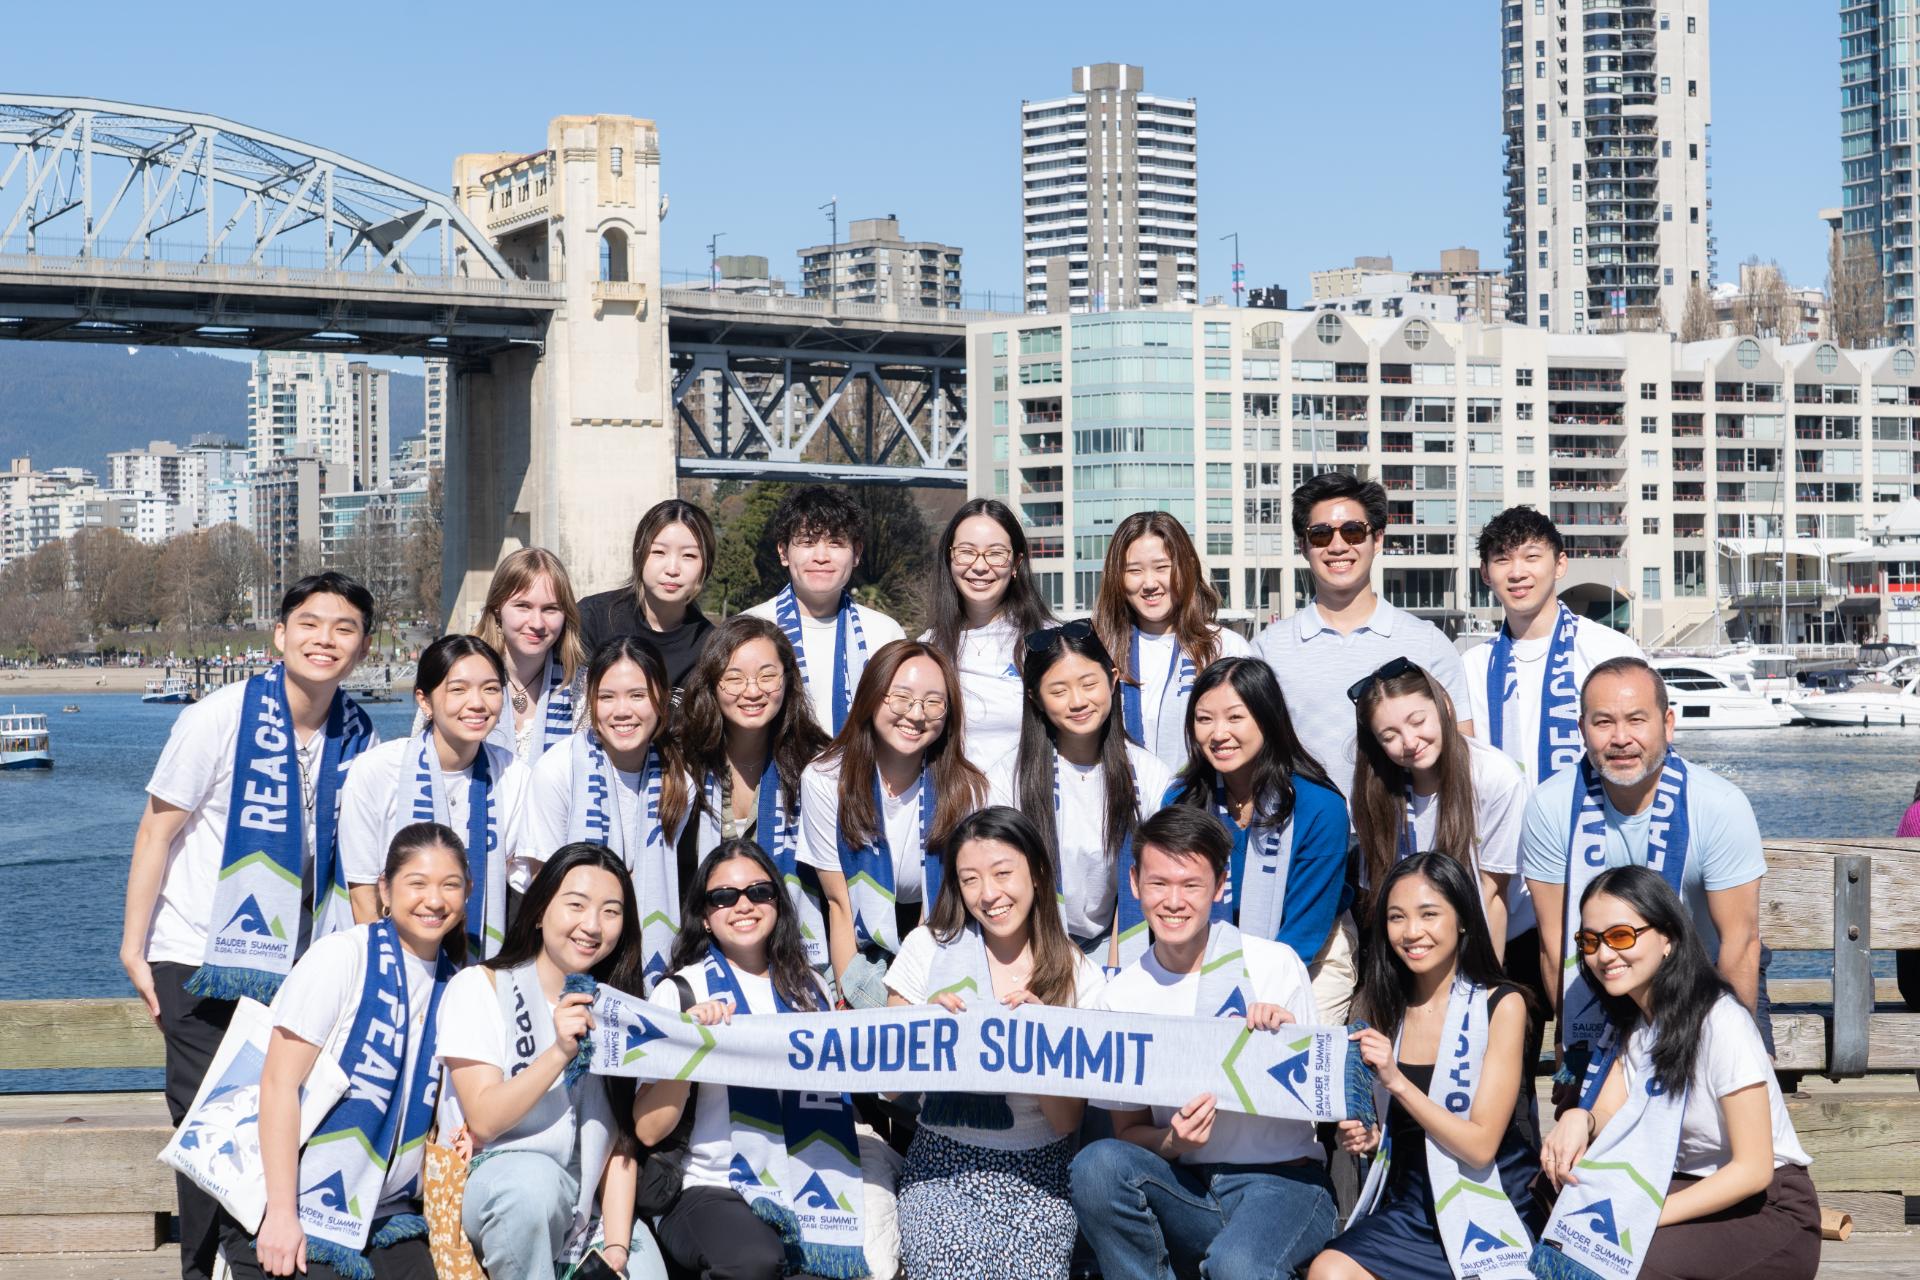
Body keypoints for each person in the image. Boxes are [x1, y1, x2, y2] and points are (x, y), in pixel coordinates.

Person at [123, 571, 378, 1280]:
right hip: (199, 956)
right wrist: (133, 945)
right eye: (310, 623)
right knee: (215, 1131)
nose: (325, 639)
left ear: (360, 648)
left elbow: (360, 860)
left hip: (304, 965)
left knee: (290, 1121)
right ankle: (205, 1271)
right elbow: (157, 831)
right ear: (280, 634)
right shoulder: (219, 716)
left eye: (345, 628)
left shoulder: (358, 731)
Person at [1071, 807, 1337, 1280]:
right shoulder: (1120, 997)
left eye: (1191, 885)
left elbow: (1319, 1106)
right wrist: (1172, 1140)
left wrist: (1287, 1039)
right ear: (1134, 884)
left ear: (1219, 887)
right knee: (1097, 1165)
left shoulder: (1274, 964)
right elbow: (1128, 1134)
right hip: (1188, 1186)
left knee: (1239, 1265)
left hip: (1283, 1183)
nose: (1174, 901)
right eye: (1159, 884)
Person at [1535, 867, 1819, 1280]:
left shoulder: (1720, 1021)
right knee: (1556, 1205)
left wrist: (1643, 1215)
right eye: (1591, 941)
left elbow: (1754, 1169)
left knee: (1619, 1261)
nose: (1604, 954)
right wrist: (1579, 1118)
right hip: (1679, 1185)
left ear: (1668, 936)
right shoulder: (1633, 1022)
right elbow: (1605, 1119)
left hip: (1768, 1207)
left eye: (1621, 936)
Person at [223, 823, 465, 1280]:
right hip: (295, 1200)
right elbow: (277, 1083)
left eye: (449, 885)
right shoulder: (341, 956)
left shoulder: (456, 983)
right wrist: (280, 1214)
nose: (434, 900)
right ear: (385, 890)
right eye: (417, 883)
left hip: (388, 1213)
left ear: (467, 892)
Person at [634, 839, 874, 1280]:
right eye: (723, 897)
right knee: (755, 1261)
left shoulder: (812, 991)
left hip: (807, 1182)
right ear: (704, 917)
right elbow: (649, 1128)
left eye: (758, 892)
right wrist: (689, 1046)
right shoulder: (679, 992)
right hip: (709, 1187)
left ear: (777, 903)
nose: (743, 905)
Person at [1522, 657, 1772, 1078]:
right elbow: (1555, 947)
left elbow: (1740, 945)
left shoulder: (1719, 804)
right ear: (1582, 730)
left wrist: (1728, 1053)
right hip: (1599, 985)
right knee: (1584, 1119)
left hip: (1705, 982)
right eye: (1603, 723)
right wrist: (1573, 1044)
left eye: (1637, 720)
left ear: (1667, 724)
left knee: (1742, 1094)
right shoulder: (1550, 806)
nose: (1621, 739)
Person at [886, 807, 1107, 1280]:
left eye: (1003, 873)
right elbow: (887, 1087)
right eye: (970, 880)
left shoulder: (1077, 974)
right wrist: (924, 1027)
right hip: (941, 1168)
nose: (988, 895)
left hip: (1039, 1175)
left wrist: (1040, 1035)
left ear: (1039, 872)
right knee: (953, 1264)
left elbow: (1067, 1121)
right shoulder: (926, 948)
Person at [1308, 853, 1542, 1280]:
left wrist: (1396, 1081)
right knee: (1329, 1270)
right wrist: (1371, 1136)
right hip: (1413, 1202)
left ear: (1463, 919)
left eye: (1429, 914)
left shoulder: (1501, 1004)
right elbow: (1402, 1132)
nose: (1412, 932)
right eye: (1397, 917)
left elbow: (1480, 1146)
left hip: (1489, 1195)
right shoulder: (1381, 1006)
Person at [435, 843, 663, 1280]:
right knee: (532, 1189)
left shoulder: (616, 1010)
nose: (592, 926)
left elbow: (621, 1145)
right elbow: (483, 1120)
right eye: (576, 905)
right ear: (539, 912)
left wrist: (615, 1248)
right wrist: (559, 1052)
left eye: (611, 912)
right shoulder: (480, 987)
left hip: (585, 1213)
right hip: (499, 1183)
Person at [1462, 506, 1644, 1034]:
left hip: (1592, 871)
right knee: (1504, 1047)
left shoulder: (1608, 650)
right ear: (1486, 574)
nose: (1517, 572)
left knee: (1605, 1041)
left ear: (1560, 565)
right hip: (1503, 883)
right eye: (1502, 560)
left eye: (1531, 557)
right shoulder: (1472, 665)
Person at [1252, 473, 1472, 804]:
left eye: (1353, 532)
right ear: (1304, 547)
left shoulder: (1427, 643)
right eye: (1321, 535)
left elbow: (1463, 748)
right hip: (1306, 842)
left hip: (1406, 838)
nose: (1338, 546)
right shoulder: (1268, 650)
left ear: (1378, 539)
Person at [1163, 657, 1356, 1021]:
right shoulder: (1180, 800)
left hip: (1309, 951)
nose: (1218, 734)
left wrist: (1259, 997)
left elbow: (1305, 929)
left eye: (1236, 717)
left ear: (1268, 719)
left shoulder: (1320, 807)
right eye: (1204, 719)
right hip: (1207, 952)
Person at [802, 639, 989, 1008]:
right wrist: (850, 998)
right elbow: (839, 903)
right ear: (872, 697)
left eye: (934, 702)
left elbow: (952, 905)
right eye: (900, 697)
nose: (916, 714)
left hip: (941, 938)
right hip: (859, 944)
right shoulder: (824, 779)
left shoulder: (968, 787)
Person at [341, 635, 531, 959]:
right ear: (424, 701)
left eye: (490, 689)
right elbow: (362, 894)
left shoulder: (514, 774)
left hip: (480, 963)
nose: (477, 703)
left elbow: (520, 885)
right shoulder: (377, 770)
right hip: (386, 957)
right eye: (458, 690)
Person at [995, 622, 1174, 962]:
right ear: (1035, 699)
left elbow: (1153, 877)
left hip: (1119, 947)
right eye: (1058, 691)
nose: (1077, 701)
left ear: (1113, 678)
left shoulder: (1150, 775)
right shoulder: (1008, 779)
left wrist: (1115, 966)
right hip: (1031, 947)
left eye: (1089, 684)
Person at [523, 637, 696, 986]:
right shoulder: (557, 770)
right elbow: (542, 885)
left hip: (642, 963)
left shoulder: (680, 783)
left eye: (638, 696)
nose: (622, 711)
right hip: (564, 959)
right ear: (591, 702)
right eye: (607, 697)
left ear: (661, 699)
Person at [677, 615, 831, 969]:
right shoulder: (679, 761)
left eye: (767, 676)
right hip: (696, 958)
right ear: (711, 683)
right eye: (734, 678)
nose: (752, 691)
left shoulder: (818, 765)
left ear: (788, 681)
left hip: (797, 960)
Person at [1349, 658, 1524, 949]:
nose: (1409, 741)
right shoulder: (1373, 789)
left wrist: (1486, 987)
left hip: (1481, 940)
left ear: (1445, 704)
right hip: (1408, 945)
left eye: (1418, 722)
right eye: (1389, 736)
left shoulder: (1495, 776)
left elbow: (1492, 894)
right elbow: (1377, 894)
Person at [1091, 511, 1252, 771]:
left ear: (1186, 567)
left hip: (1199, 804)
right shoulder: (1098, 650)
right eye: (1134, 571)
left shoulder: (1225, 648)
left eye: (1162, 567)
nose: (1150, 583)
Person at [743, 485, 907, 735]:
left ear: (856, 553)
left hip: (859, 772)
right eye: (807, 542)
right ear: (783, 552)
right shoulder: (751, 627)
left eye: (836, 543)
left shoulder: (884, 633)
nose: (821, 556)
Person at [922, 497, 1057, 771]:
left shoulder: (1050, 641)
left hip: (1028, 807)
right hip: (952, 807)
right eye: (966, 551)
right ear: (949, 557)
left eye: (996, 553)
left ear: (1016, 563)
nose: (980, 566)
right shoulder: (928, 647)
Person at [577, 499, 718, 693]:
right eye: (659, 552)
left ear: (706, 565)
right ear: (639, 554)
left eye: (689, 556)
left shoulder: (711, 645)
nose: (672, 569)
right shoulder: (593, 618)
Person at [467, 546, 590, 763]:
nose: (537, 623)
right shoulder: (458, 677)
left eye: (550, 609)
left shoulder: (582, 688)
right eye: (523, 606)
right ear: (497, 608)